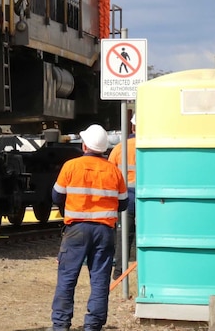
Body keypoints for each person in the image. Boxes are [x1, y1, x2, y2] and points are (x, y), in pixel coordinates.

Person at [49, 123, 128, 331]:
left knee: (67, 277)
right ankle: (93, 325)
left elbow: (56, 195)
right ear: (104, 148)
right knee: (100, 279)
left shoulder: (71, 166)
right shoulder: (114, 171)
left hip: (76, 230)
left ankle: (60, 324)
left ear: (84, 146)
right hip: (104, 231)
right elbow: (124, 203)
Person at [108, 113, 137, 280]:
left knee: (123, 237)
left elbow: (110, 173)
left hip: (126, 199)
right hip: (149, 201)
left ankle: (119, 274)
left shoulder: (120, 148)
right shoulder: (152, 147)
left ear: (132, 127)